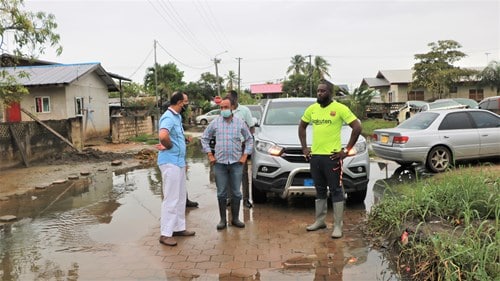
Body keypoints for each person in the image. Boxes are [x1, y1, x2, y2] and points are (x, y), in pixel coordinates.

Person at [298, 79, 362, 239]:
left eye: (323, 91)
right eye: (318, 91)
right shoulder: (312, 109)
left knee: (335, 190)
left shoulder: (340, 108)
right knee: (319, 190)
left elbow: (357, 126)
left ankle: (338, 226)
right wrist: (305, 148)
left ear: (330, 93)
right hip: (316, 157)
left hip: (332, 157)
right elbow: (302, 126)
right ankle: (320, 221)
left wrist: (346, 151)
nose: (319, 93)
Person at [201, 98, 253, 230]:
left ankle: (235, 219)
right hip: (220, 163)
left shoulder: (240, 123)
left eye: (226, 107)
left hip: (236, 163)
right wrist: (210, 154)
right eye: (221, 107)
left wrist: (245, 156)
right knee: (221, 193)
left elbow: (249, 139)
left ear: (232, 108)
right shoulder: (215, 123)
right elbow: (204, 138)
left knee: (236, 193)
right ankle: (222, 220)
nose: (223, 110)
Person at [157, 91, 196, 246]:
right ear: (180, 102)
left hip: (178, 163)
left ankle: (179, 228)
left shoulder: (177, 117)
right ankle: (165, 234)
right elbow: (163, 136)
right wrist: (170, 146)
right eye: (185, 102)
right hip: (169, 162)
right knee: (171, 198)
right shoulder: (168, 117)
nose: (187, 105)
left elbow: (175, 135)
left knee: (180, 198)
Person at [225, 90, 255, 208]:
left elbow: (251, 127)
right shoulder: (224, 111)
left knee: (243, 173)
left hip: (241, 145)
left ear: (236, 100)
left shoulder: (244, 111)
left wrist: (247, 142)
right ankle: (229, 198)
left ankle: (246, 199)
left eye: (230, 99)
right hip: (228, 146)